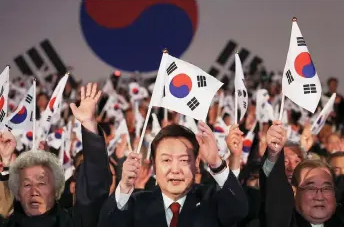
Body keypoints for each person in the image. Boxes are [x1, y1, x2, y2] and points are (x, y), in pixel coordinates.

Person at [0, 83, 112, 227]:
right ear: (18, 192)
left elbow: (94, 187)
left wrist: (89, 125)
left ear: (56, 189)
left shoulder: (73, 222)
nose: (34, 191)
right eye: (26, 184)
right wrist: (7, 161)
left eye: (42, 183)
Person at [98, 122, 248, 227]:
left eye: (183, 160)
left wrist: (217, 163)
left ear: (196, 163)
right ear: (154, 166)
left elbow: (238, 211)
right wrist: (124, 187)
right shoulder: (135, 203)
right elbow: (107, 223)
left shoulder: (211, 199)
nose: (175, 169)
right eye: (166, 160)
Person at [260, 120, 344, 227]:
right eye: (285, 161)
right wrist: (273, 153)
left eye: (325, 187)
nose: (292, 168)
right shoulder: (283, 214)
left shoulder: (337, 219)